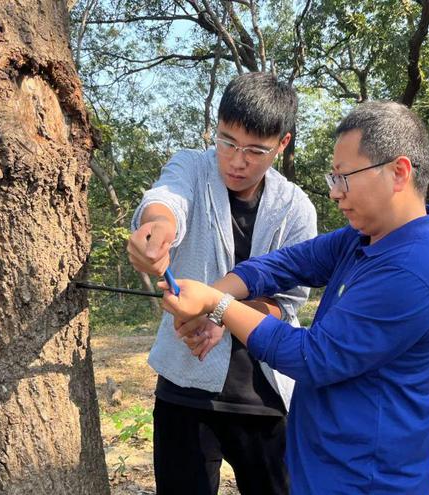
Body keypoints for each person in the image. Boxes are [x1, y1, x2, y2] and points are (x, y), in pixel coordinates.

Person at [159, 101, 429, 494]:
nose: (336, 193)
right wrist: (212, 295)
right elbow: (285, 264)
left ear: (399, 172)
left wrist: (217, 306)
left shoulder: (416, 270)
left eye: (345, 178)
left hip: (366, 480)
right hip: (323, 467)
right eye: (333, 177)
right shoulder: (364, 239)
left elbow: (314, 357)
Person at [127, 72, 317, 494]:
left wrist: (219, 312)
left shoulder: (296, 208)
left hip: (265, 395)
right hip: (184, 387)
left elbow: (286, 304)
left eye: (254, 150)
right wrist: (157, 228)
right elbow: (166, 199)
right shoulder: (192, 167)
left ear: (282, 144)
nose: (236, 160)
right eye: (227, 141)